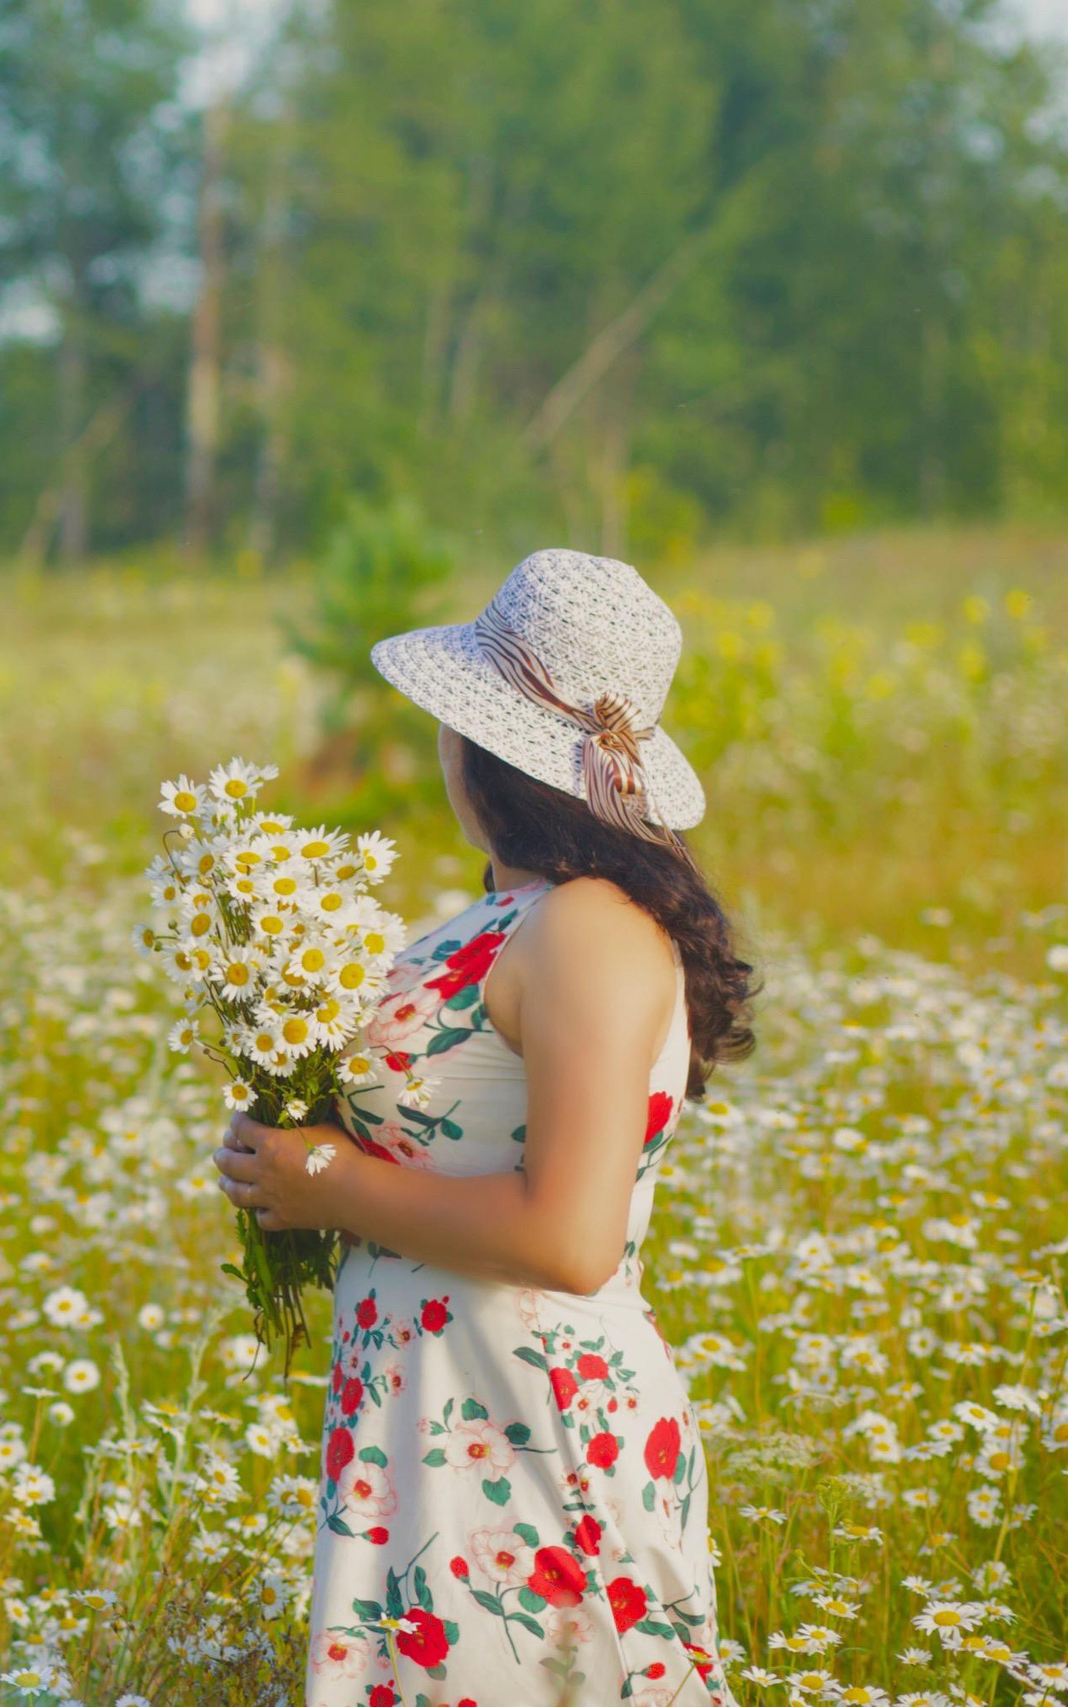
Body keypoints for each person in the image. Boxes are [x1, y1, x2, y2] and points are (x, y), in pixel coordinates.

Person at [212, 548, 757, 1707]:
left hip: (527, 1417)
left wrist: (326, 1183)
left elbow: (571, 1237)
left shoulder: (588, 929)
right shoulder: (517, 915)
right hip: (435, 1402)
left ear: (486, 747)